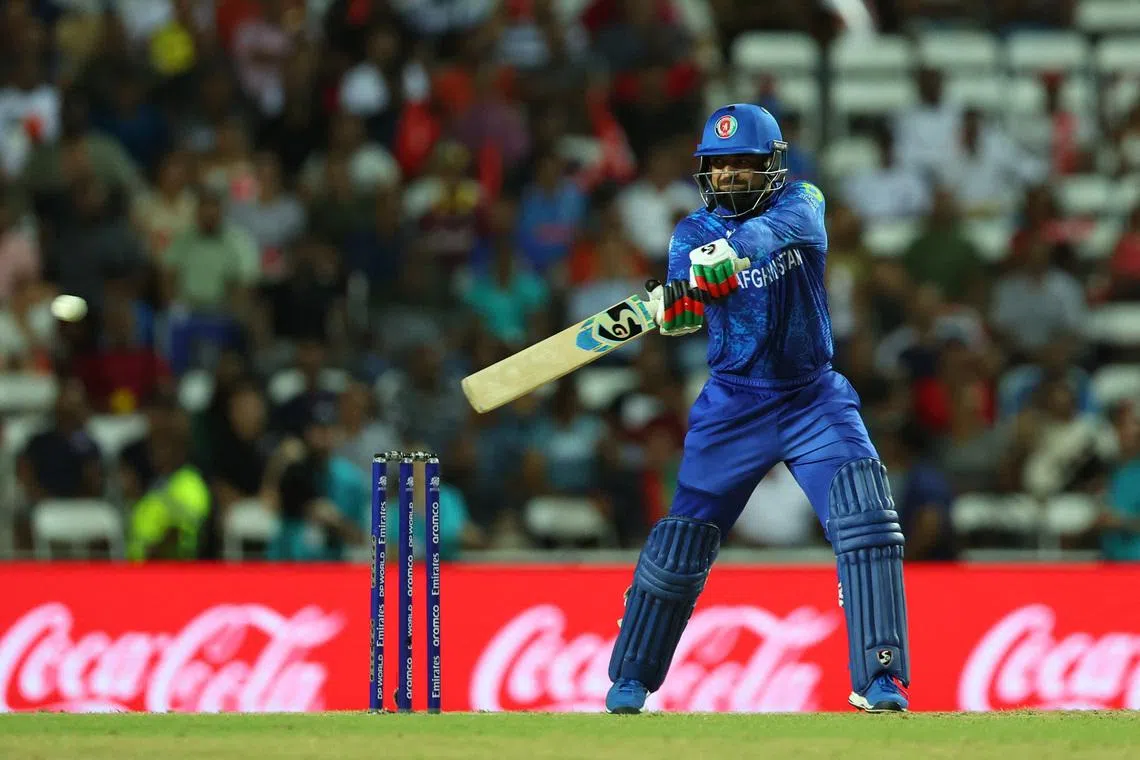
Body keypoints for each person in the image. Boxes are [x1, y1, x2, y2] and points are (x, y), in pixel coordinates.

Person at [606, 104, 911, 715]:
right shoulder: (690, 233)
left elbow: (769, 236)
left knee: (867, 519)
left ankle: (879, 676)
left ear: (772, 165)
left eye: (743, 163)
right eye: (719, 166)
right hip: (732, 404)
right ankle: (631, 678)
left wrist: (729, 254)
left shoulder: (803, 202)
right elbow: (686, 316)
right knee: (683, 541)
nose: (729, 176)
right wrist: (675, 305)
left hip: (812, 396)